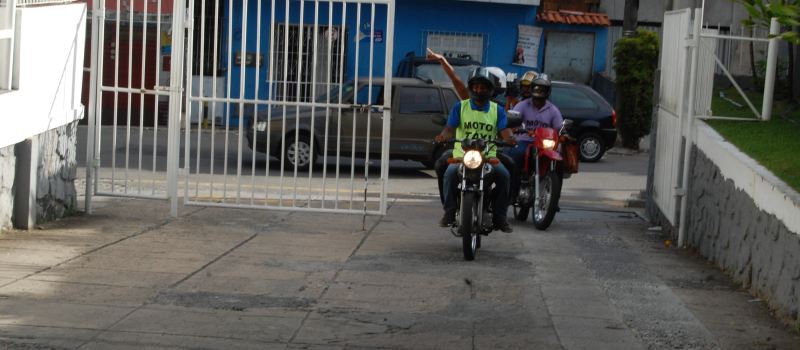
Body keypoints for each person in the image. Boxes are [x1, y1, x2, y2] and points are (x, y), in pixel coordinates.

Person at [434, 67, 516, 233]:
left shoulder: (497, 110)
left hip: (487, 156)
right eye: (476, 87)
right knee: (449, 174)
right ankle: (449, 211)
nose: (479, 90)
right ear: (471, 88)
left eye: (483, 87)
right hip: (462, 155)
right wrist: (442, 136)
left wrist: (510, 139)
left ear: (490, 90)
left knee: (504, 176)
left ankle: (500, 216)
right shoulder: (460, 107)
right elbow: (449, 128)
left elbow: (504, 130)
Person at [505, 73, 564, 173]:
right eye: (536, 88)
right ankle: (515, 184)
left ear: (548, 90)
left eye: (542, 89)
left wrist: (563, 132)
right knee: (516, 155)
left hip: (545, 144)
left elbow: (559, 128)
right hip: (525, 140)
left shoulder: (553, 110)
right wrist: (514, 127)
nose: (538, 91)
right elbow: (511, 119)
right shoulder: (522, 105)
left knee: (559, 160)